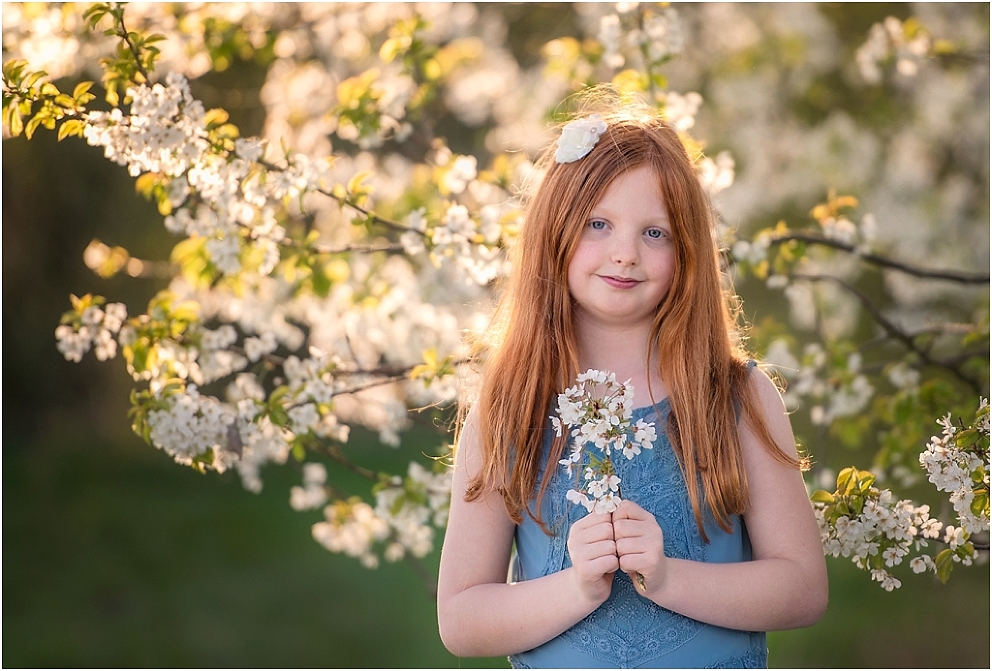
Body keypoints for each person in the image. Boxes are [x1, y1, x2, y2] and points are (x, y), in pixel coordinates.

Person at [436, 95, 828, 668]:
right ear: (555, 232)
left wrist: (668, 577)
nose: (625, 254)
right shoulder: (509, 408)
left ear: (687, 251)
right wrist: (577, 588)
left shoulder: (735, 396)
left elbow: (802, 591)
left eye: (655, 233)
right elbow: (462, 621)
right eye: (599, 224)